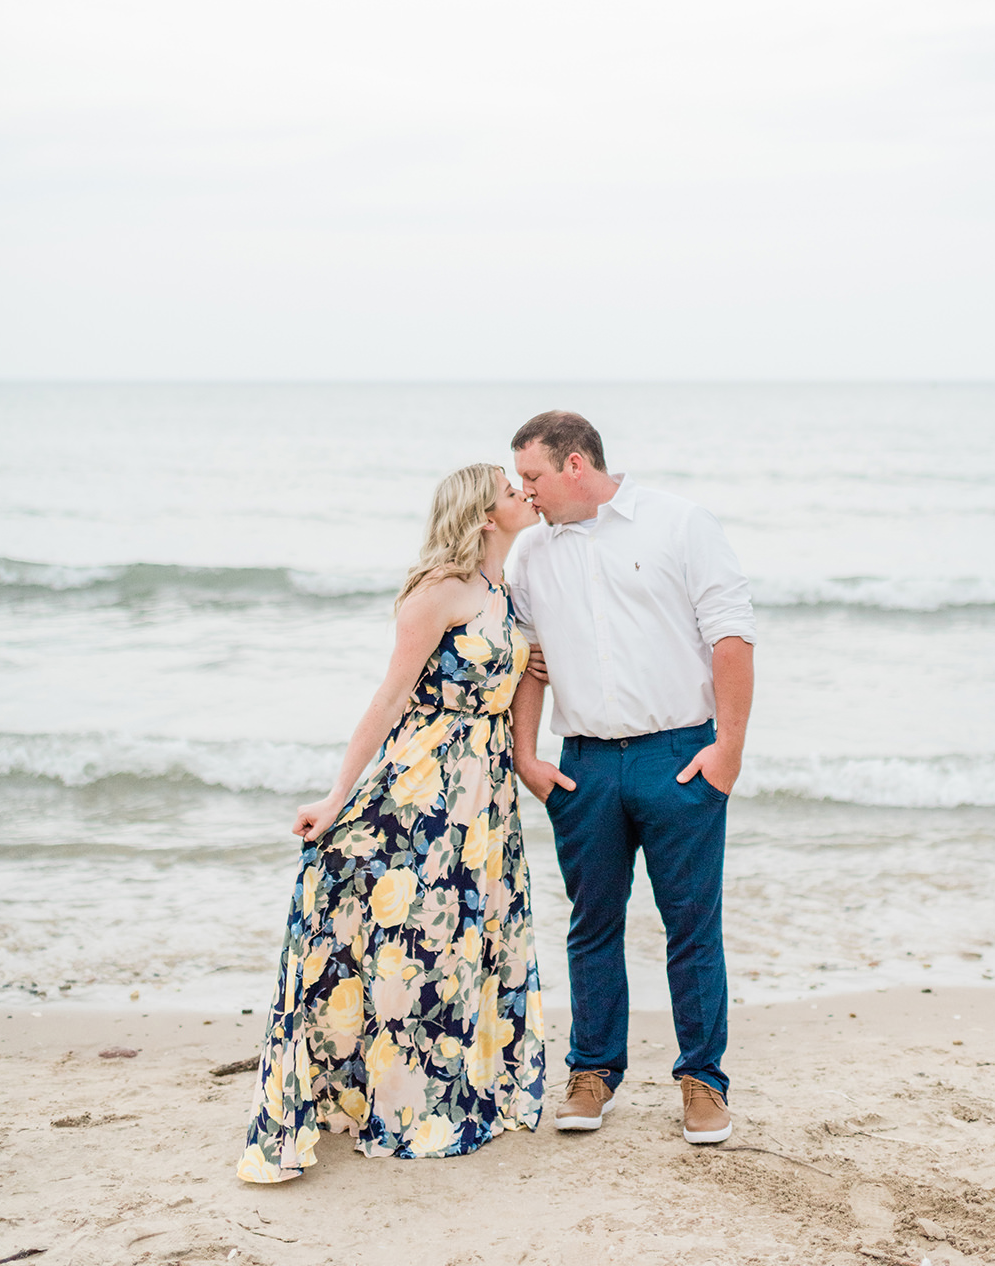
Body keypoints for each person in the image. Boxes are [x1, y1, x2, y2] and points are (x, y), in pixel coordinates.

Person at [238, 464, 545, 1178]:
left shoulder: (502, 591)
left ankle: (457, 1094)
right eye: (509, 489)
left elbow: (522, 676)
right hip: (424, 788)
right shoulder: (439, 591)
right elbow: (387, 700)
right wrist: (336, 797)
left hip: (484, 798)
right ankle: (397, 1102)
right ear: (481, 515)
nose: (522, 494)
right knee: (417, 943)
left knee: (467, 940)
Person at [507, 410, 755, 1145]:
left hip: (678, 756)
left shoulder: (679, 524)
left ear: (575, 465)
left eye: (533, 479)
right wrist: (527, 757)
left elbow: (731, 638)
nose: (526, 495)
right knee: (591, 925)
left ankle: (702, 1082)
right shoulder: (528, 554)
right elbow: (526, 661)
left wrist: (728, 752)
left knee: (689, 926)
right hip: (582, 765)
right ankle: (592, 1073)